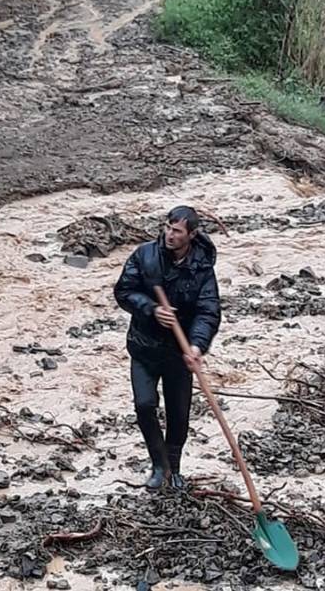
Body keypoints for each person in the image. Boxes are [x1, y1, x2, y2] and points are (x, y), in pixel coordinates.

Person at [114, 206, 221, 489]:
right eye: (167, 228)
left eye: (177, 231)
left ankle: (175, 469)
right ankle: (159, 465)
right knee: (144, 405)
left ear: (192, 235)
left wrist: (197, 346)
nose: (169, 235)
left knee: (179, 414)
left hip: (179, 353)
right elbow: (123, 291)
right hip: (144, 347)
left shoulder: (202, 268)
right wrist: (151, 309)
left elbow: (208, 311)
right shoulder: (145, 256)